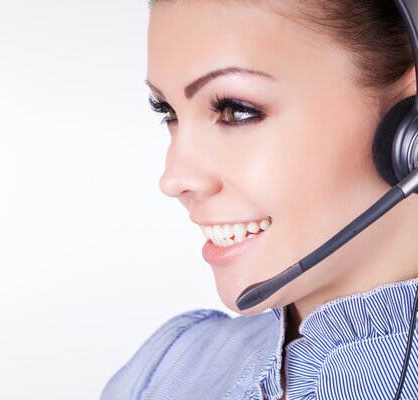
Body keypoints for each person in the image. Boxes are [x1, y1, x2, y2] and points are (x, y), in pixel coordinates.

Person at [100, 0, 418, 399]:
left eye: (236, 111)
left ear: (410, 129)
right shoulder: (168, 365)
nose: (174, 178)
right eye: (169, 112)